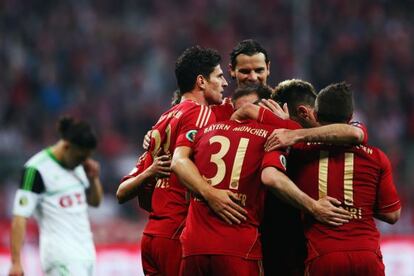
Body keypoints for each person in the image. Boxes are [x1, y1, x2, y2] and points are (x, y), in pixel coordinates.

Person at [171, 107, 351, 276]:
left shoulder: (206, 130)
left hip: (193, 247)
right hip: (239, 246)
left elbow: (180, 166)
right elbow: (271, 177)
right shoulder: (272, 136)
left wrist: (208, 193)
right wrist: (313, 207)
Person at [231, 79, 367, 276]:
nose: (320, 118)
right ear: (305, 112)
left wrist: (294, 132)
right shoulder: (277, 136)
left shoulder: (295, 134)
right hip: (284, 245)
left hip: (306, 249)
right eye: (317, 112)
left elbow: (354, 133)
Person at [136, 45, 247, 276]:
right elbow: (180, 161)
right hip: (178, 231)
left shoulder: (165, 117)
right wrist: (211, 194)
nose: (225, 83)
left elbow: (140, 194)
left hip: (153, 232)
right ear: (201, 81)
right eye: (219, 76)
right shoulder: (200, 113)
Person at [284, 82, 401, 275]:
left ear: (316, 115)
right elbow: (392, 215)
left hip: (324, 257)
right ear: (351, 117)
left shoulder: (299, 153)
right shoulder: (376, 157)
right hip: (367, 257)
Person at [8, 116, 103, 276]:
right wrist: (16, 262)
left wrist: (93, 179)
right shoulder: (36, 169)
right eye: (81, 156)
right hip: (61, 257)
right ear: (66, 146)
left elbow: (95, 202)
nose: (84, 161)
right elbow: (20, 217)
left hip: (86, 254)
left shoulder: (78, 165)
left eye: (87, 157)